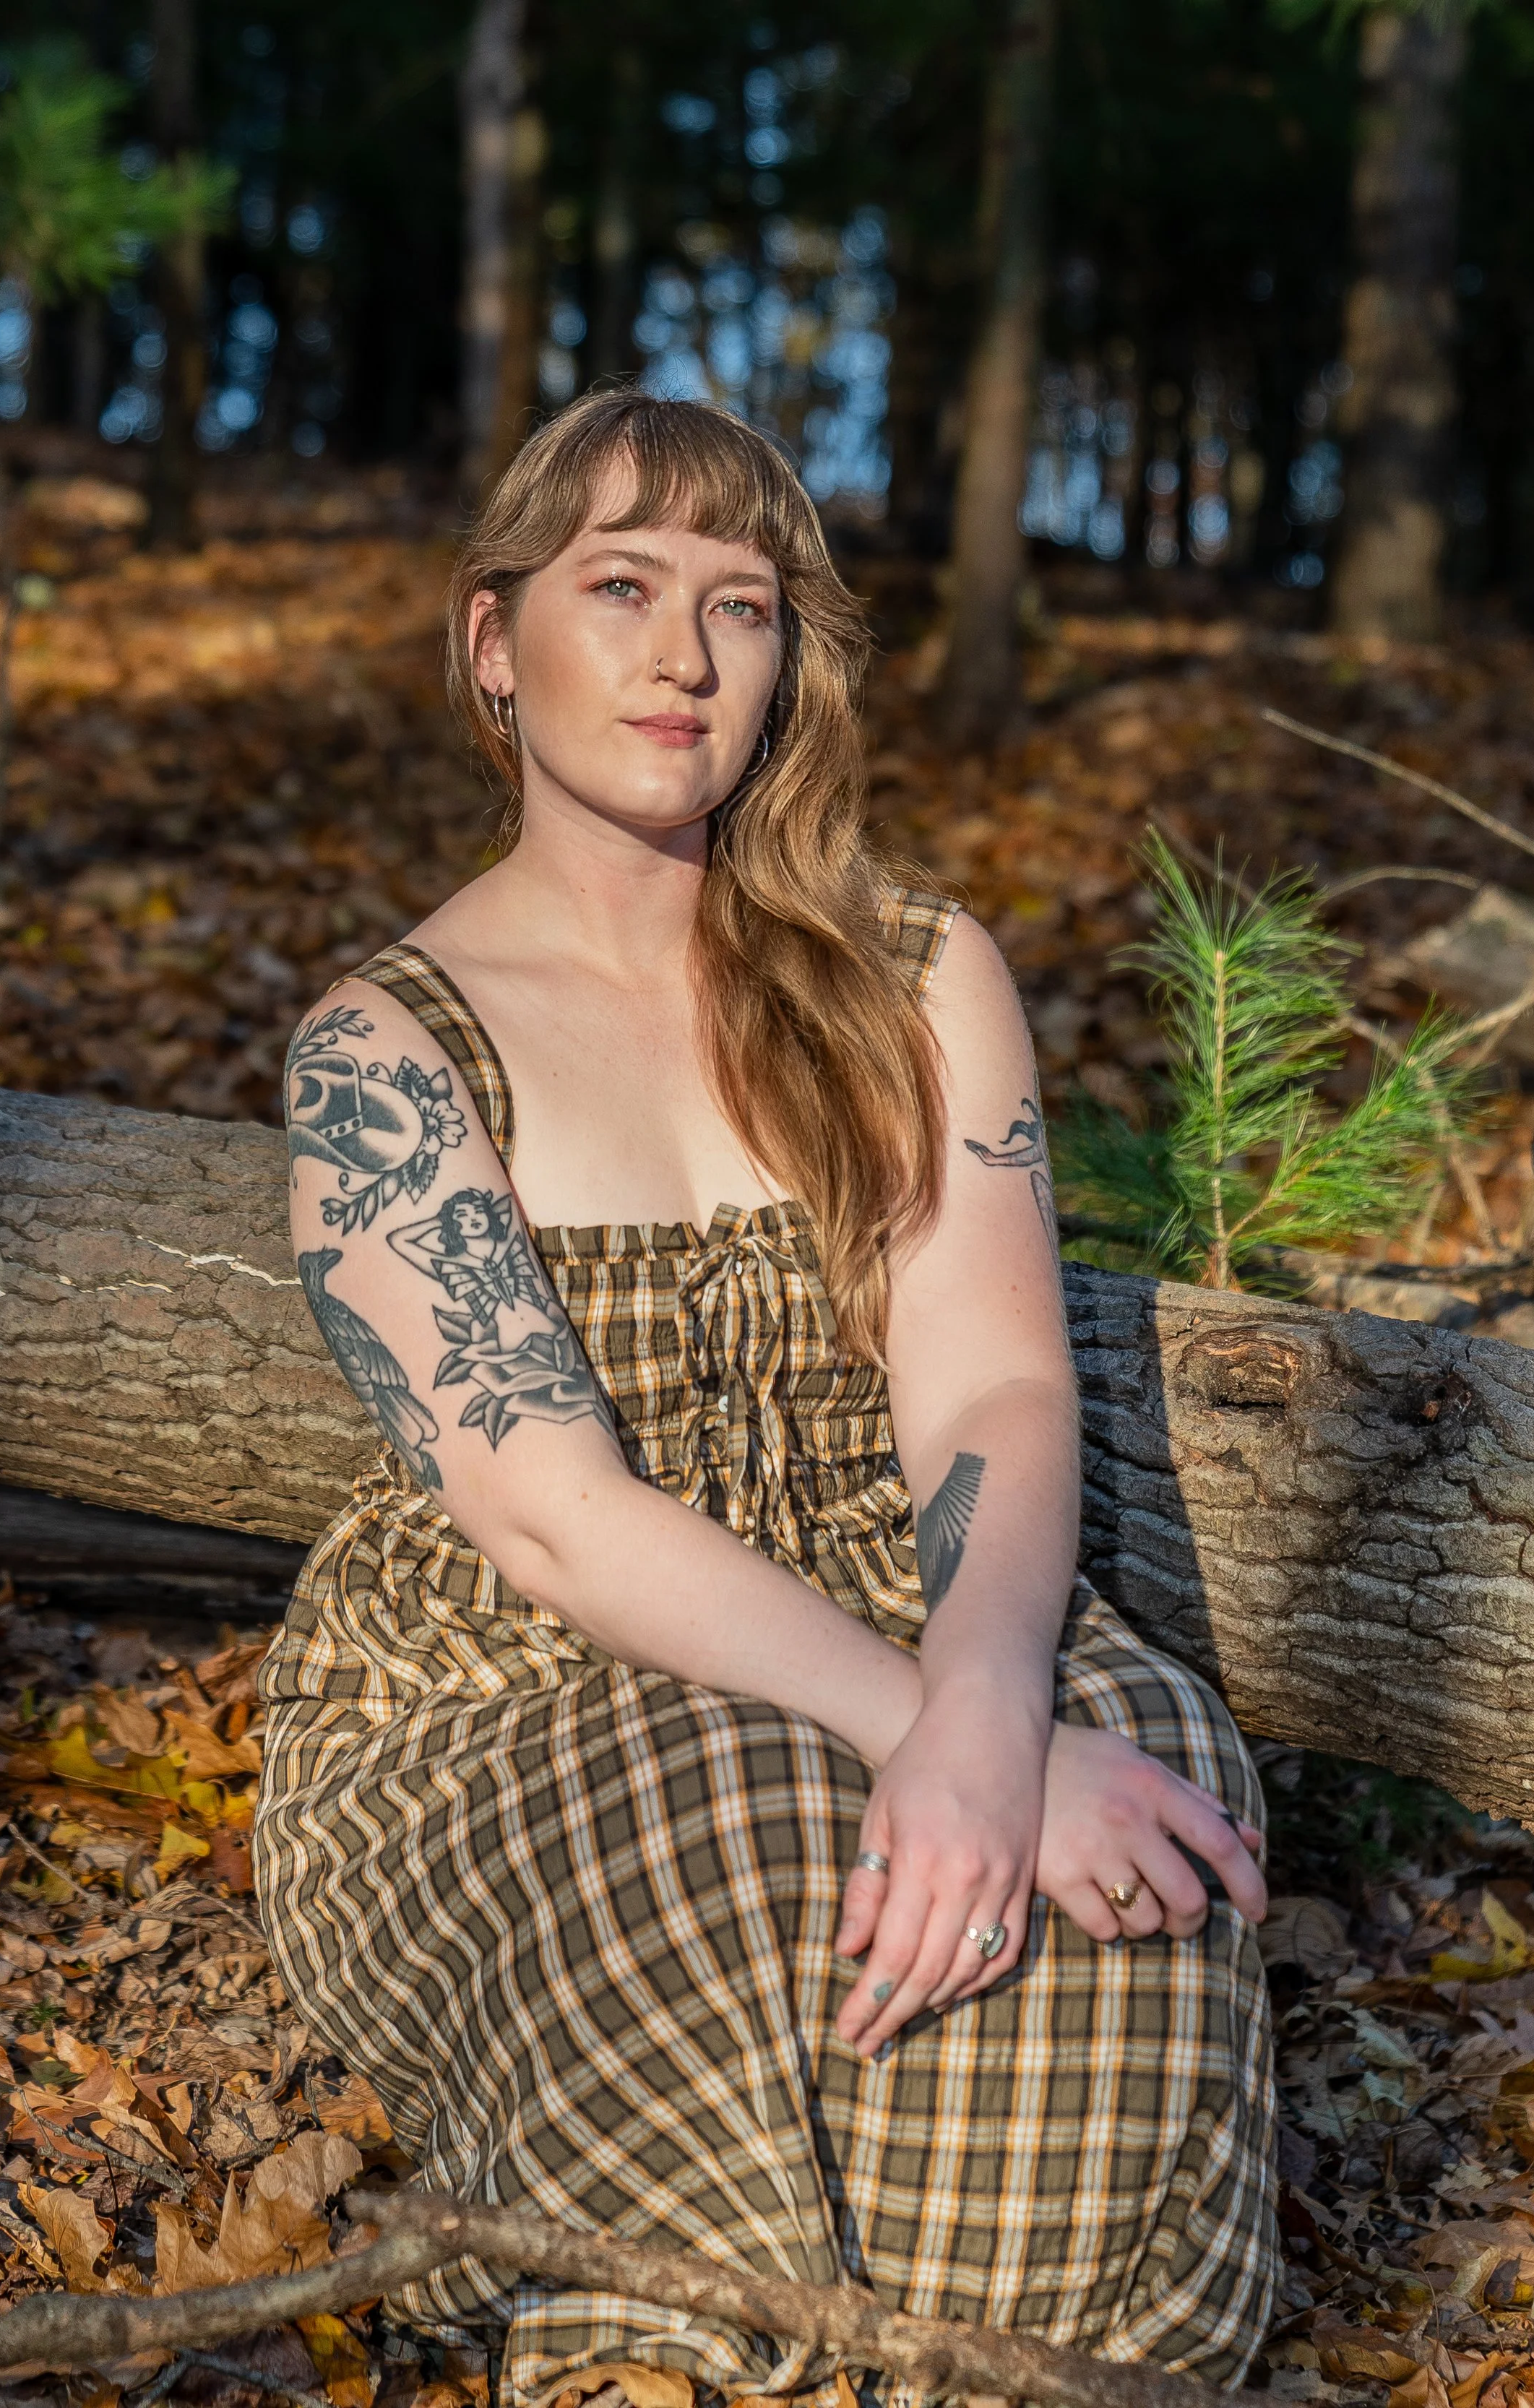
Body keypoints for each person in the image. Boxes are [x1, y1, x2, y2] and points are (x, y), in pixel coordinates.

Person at [254, 389, 1280, 2408]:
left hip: (894, 1595)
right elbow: (554, 1517)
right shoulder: (389, 1048)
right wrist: (945, 1747)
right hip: (509, 1675)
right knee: (736, 1812)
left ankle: (1012, 2364)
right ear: (491, 638)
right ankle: (671, 2353)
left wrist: (992, 1714)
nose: (681, 655)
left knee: (1149, 1761)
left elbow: (991, 1375)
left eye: (741, 602)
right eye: (617, 586)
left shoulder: (911, 968)